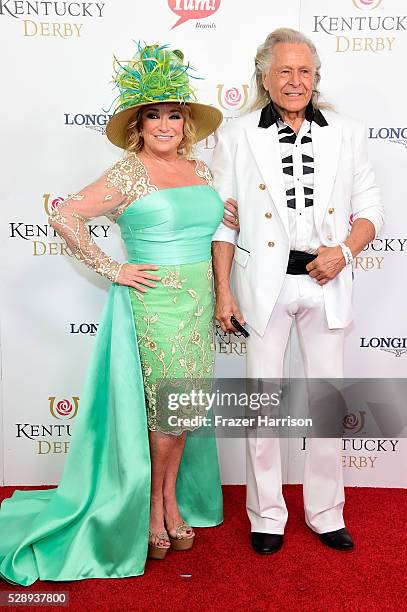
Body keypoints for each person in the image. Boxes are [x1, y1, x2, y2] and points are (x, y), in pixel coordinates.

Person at [0, 43, 239, 585]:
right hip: (153, 305)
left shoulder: (198, 169)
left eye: (173, 115)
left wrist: (226, 219)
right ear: (138, 125)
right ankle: (152, 510)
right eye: (153, 115)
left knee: (184, 410)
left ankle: (172, 499)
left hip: (198, 301)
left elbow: (212, 226)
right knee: (162, 413)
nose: (165, 124)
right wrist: (114, 268)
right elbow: (64, 214)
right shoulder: (129, 173)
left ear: (186, 123)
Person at [211, 28, 384, 554]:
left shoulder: (348, 132)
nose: (295, 81)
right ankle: (266, 515)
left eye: (304, 71)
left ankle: (326, 511)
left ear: (316, 76)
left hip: (326, 282)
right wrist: (224, 292)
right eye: (284, 70)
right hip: (262, 288)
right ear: (264, 76)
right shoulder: (236, 134)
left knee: (325, 405)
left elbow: (372, 209)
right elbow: (224, 223)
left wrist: (345, 252)